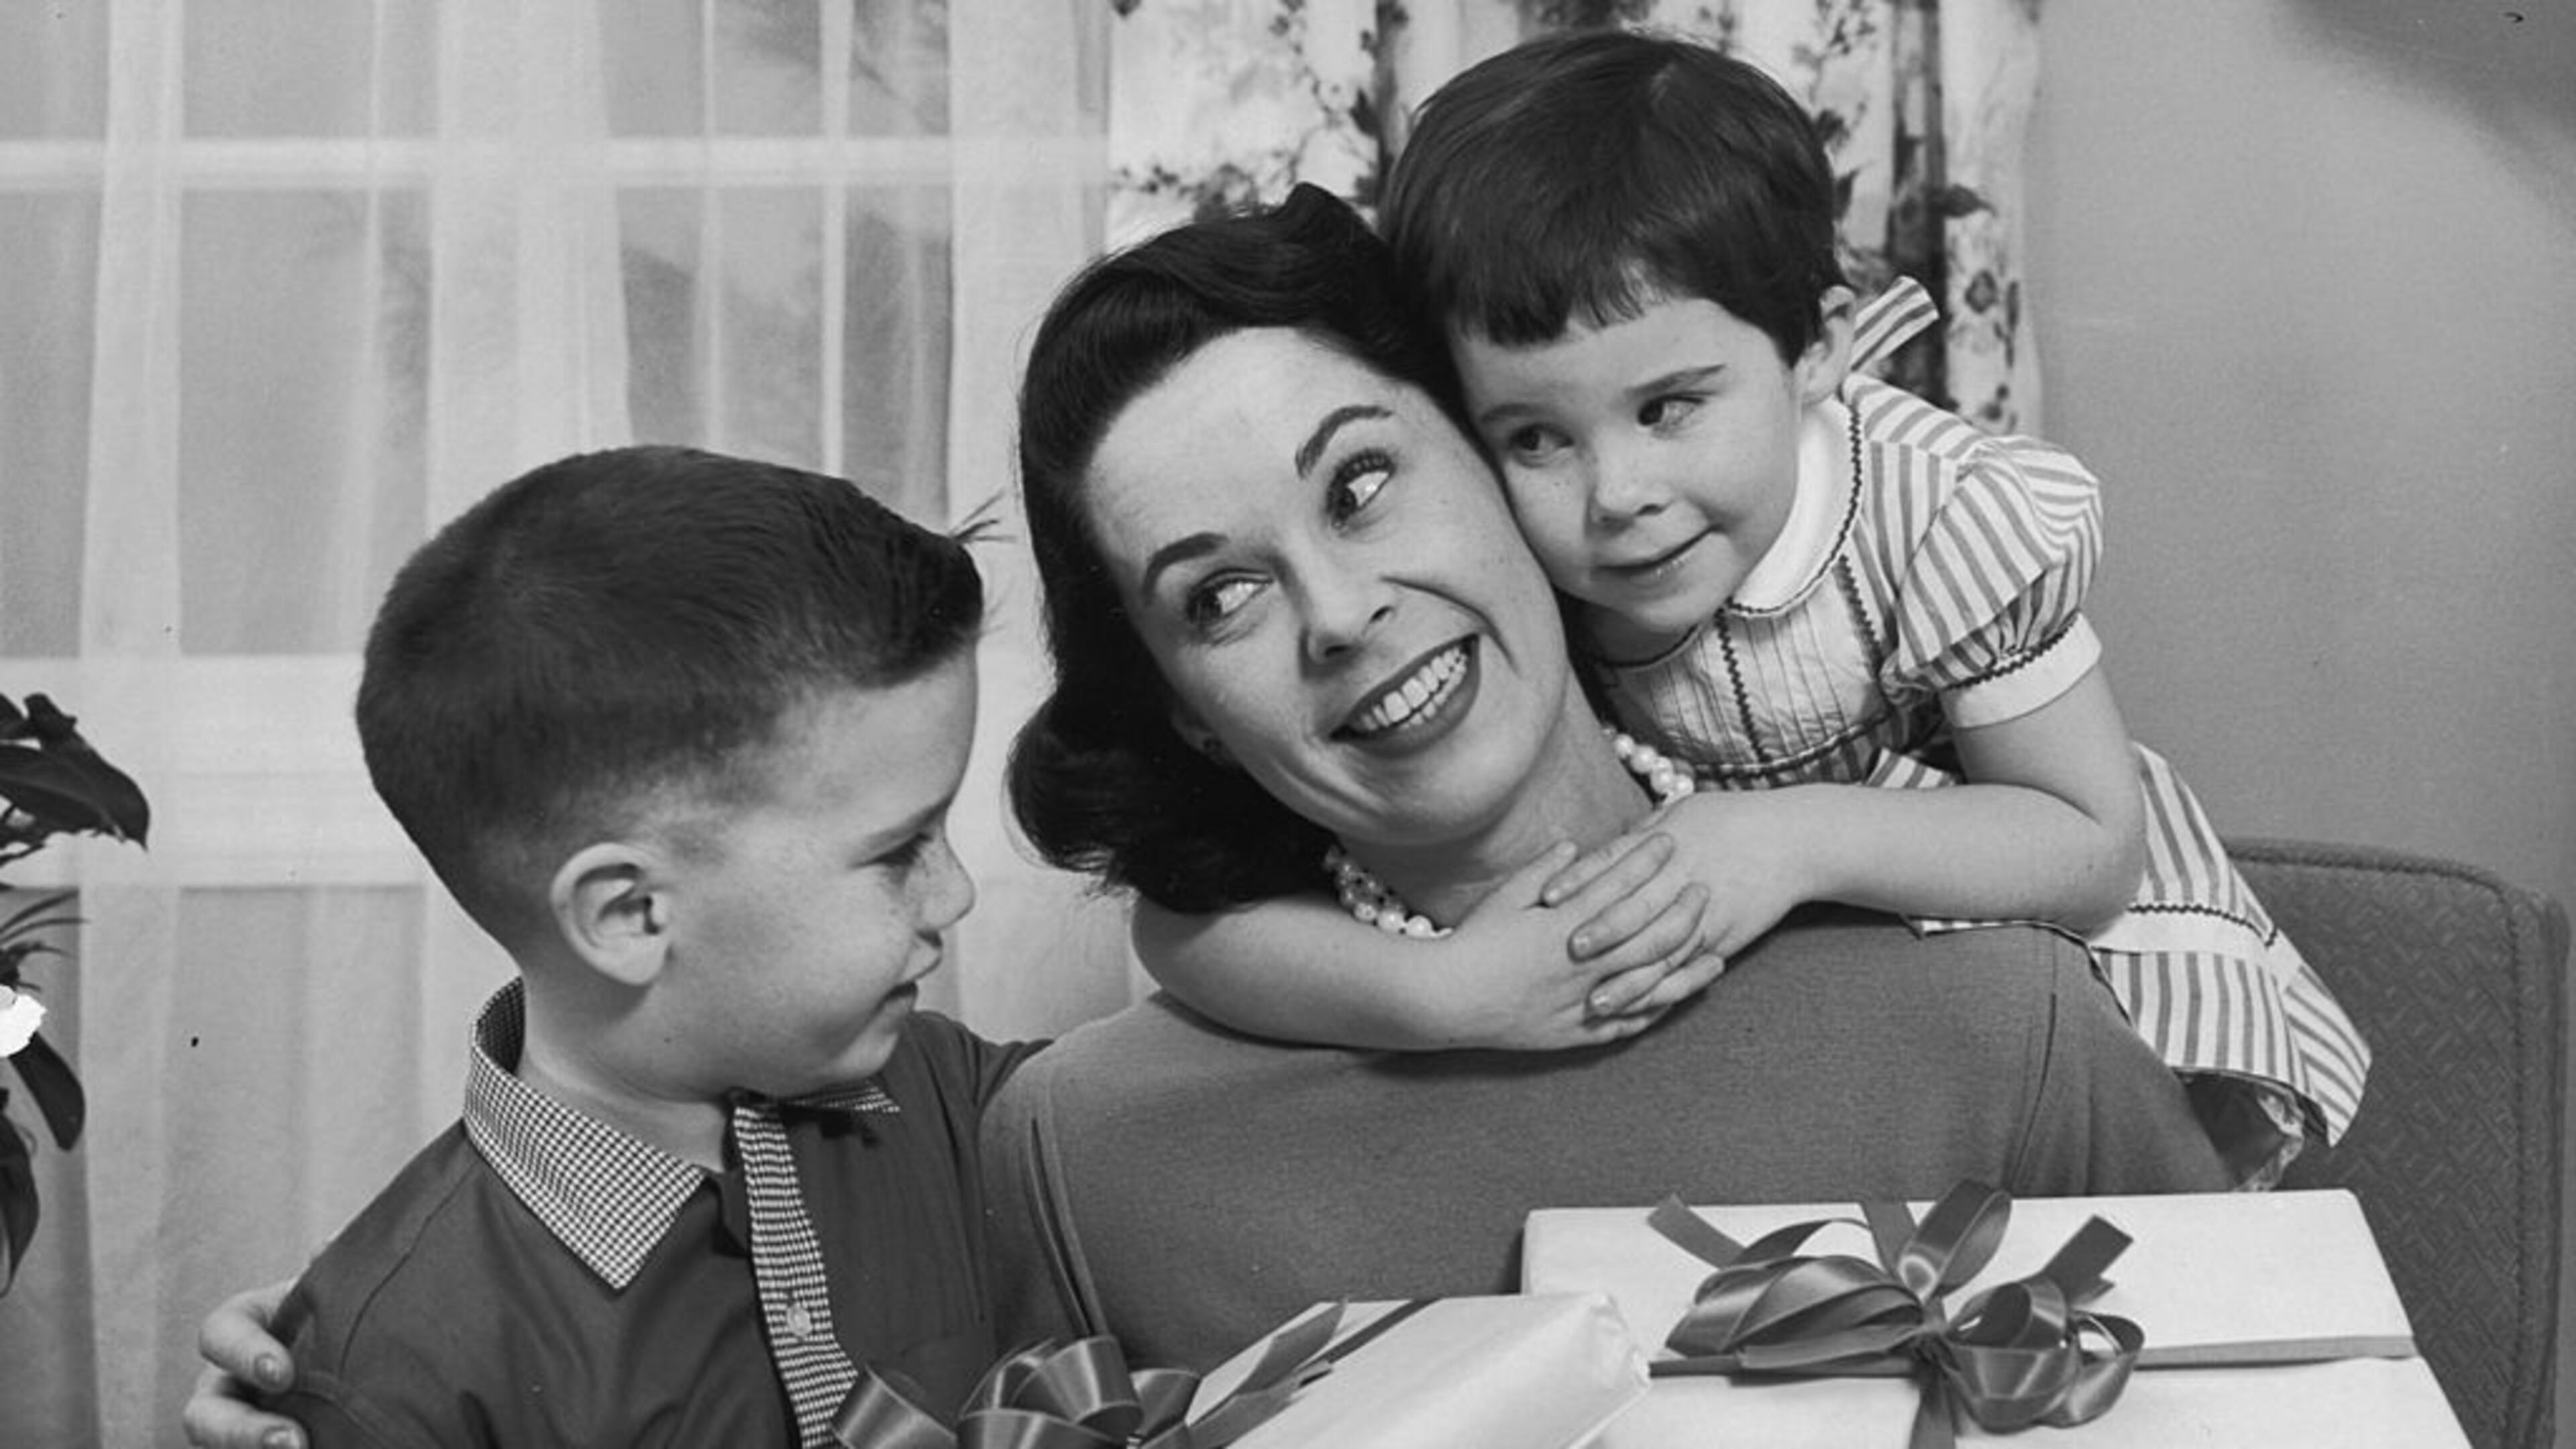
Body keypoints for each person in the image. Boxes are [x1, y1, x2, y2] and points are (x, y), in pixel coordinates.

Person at [989, 181, 2230, 1368]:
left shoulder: (2001, 1010)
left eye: (1361, 486)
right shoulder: (1083, 1153)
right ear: (1182, 710)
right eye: (1219, 598)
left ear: (1507, 463)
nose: (1341, 614)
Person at [1131, 30, 2369, 1188]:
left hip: (2047, 935)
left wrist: (1792, 839)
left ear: (1817, 348)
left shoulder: (1936, 516)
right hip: (1796, 1005)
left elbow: (2093, 852)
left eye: (1669, 408)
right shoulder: (1499, 566)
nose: (1619, 496)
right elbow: (1182, 924)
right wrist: (1442, 992)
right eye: (1534, 435)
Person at [183, 447, 1038, 1448]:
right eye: (900, 851)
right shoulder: (399, 1372)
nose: (959, 894)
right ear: (629, 916)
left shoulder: (948, 1097)